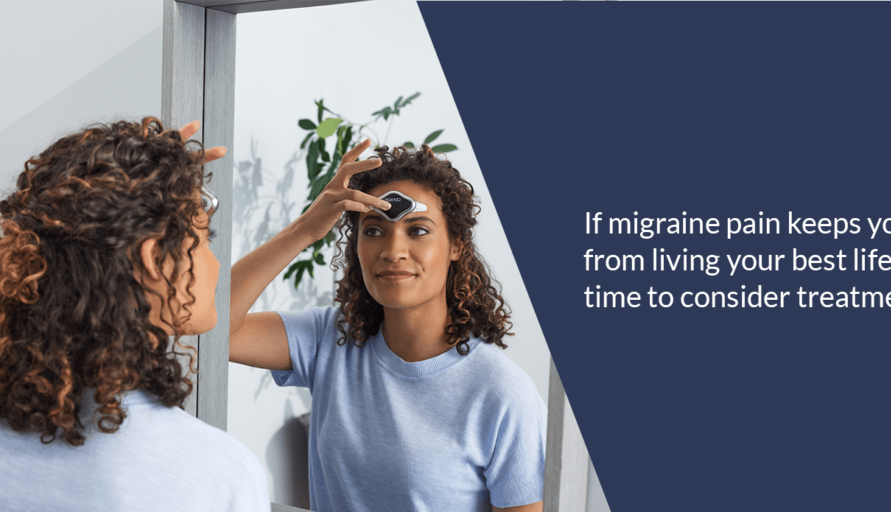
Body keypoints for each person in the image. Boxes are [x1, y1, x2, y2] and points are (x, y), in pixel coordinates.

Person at [230, 141, 546, 511]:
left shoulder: (502, 393)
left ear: (456, 245)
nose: (393, 250)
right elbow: (209, 325)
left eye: (418, 231)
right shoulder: (329, 339)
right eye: (374, 230)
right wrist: (304, 229)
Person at [0, 118, 270, 511]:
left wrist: (141, 179)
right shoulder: (215, 476)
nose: (213, 263)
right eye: (204, 239)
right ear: (155, 259)